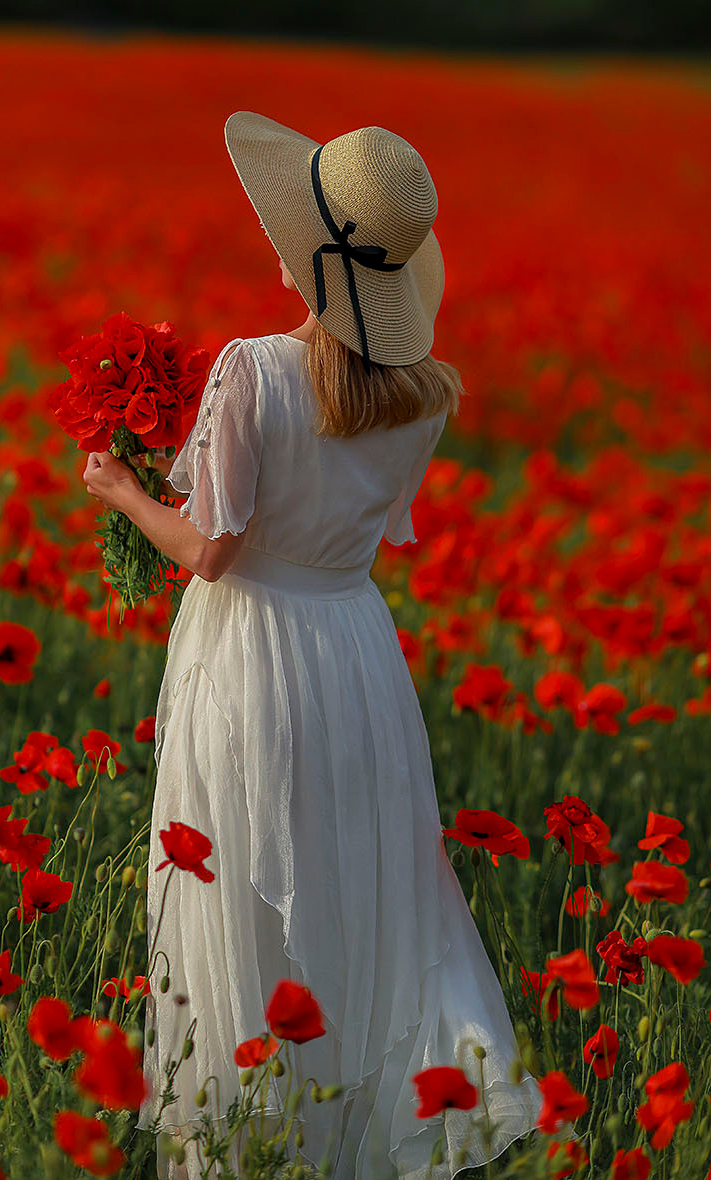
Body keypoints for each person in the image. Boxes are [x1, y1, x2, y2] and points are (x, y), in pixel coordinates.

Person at [83, 113, 558, 1180]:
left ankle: (245, 1140)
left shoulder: (253, 368)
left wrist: (118, 485)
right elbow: (328, 512)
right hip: (351, 652)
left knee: (238, 882)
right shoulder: (423, 395)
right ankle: (356, 1130)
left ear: (299, 249)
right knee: (357, 885)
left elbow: (210, 550)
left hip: (249, 648)